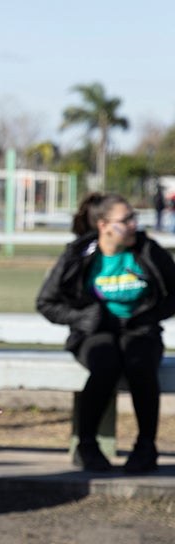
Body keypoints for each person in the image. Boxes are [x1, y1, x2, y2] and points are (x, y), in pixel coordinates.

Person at [36, 192, 175, 473]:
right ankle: (87, 446)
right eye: (126, 220)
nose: (135, 224)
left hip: (140, 332)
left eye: (133, 217)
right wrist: (85, 317)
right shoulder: (79, 254)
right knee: (106, 365)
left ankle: (146, 447)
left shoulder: (148, 251)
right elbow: (46, 303)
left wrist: (146, 317)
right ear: (104, 225)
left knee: (141, 366)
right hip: (93, 333)